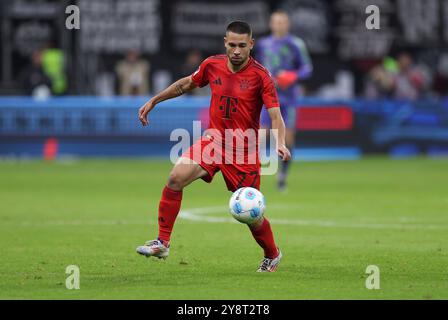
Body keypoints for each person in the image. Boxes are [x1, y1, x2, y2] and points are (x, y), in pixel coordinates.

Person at [136, 21, 291, 272]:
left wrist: (280, 143)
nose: (237, 51)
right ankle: (162, 242)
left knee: (251, 215)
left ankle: (272, 253)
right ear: (225, 43)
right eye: (232, 45)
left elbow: (275, 115)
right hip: (213, 142)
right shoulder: (212, 65)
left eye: (242, 45)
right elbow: (185, 84)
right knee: (176, 177)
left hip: (244, 151)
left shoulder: (261, 76)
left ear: (251, 44)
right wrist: (154, 100)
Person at [256, 10, 313, 191]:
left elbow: (307, 68)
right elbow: (255, 66)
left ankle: (282, 176)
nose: (279, 25)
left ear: (287, 24)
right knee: (260, 135)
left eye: (282, 22)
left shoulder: (296, 44)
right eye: (276, 21)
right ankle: (251, 175)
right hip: (267, 96)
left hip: (288, 98)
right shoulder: (263, 44)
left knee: (287, 138)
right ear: (270, 24)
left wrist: (291, 75)